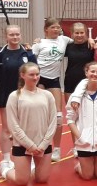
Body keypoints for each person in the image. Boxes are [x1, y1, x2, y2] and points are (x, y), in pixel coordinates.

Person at [1, 62, 59, 185]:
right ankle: (5, 170)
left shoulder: (47, 95)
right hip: (22, 144)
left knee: (42, 179)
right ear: (23, 75)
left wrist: (44, 144)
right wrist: (30, 145)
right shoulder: (14, 96)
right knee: (21, 181)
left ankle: (30, 169)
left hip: (42, 144)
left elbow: (53, 121)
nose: (35, 77)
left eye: (37, 74)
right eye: (31, 75)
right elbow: (13, 125)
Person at [65, 61, 97, 180]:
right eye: (92, 71)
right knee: (87, 176)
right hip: (84, 142)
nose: (95, 74)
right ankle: (79, 166)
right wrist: (80, 137)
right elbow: (70, 119)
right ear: (86, 73)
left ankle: (89, 164)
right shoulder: (76, 96)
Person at [31, 17, 72, 162]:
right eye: (53, 27)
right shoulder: (39, 44)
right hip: (39, 79)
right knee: (40, 114)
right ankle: (39, 145)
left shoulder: (64, 40)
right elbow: (30, 61)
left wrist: (92, 40)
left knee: (58, 117)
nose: (56, 29)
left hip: (54, 80)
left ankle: (57, 149)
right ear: (46, 29)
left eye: (58, 27)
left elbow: (81, 42)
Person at [0, 25, 36, 172]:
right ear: (6, 36)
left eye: (17, 34)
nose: (15, 37)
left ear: (20, 35)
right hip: (6, 95)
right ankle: (6, 160)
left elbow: (34, 75)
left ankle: (29, 157)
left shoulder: (28, 53)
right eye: (11, 35)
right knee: (7, 128)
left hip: (25, 96)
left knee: (27, 127)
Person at [64, 22, 96, 97]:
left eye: (82, 33)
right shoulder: (68, 46)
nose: (79, 35)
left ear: (85, 33)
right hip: (70, 81)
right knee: (70, 104)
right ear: (72, 34)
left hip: (87, 81)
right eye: (77, 33)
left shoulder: (91, 46)